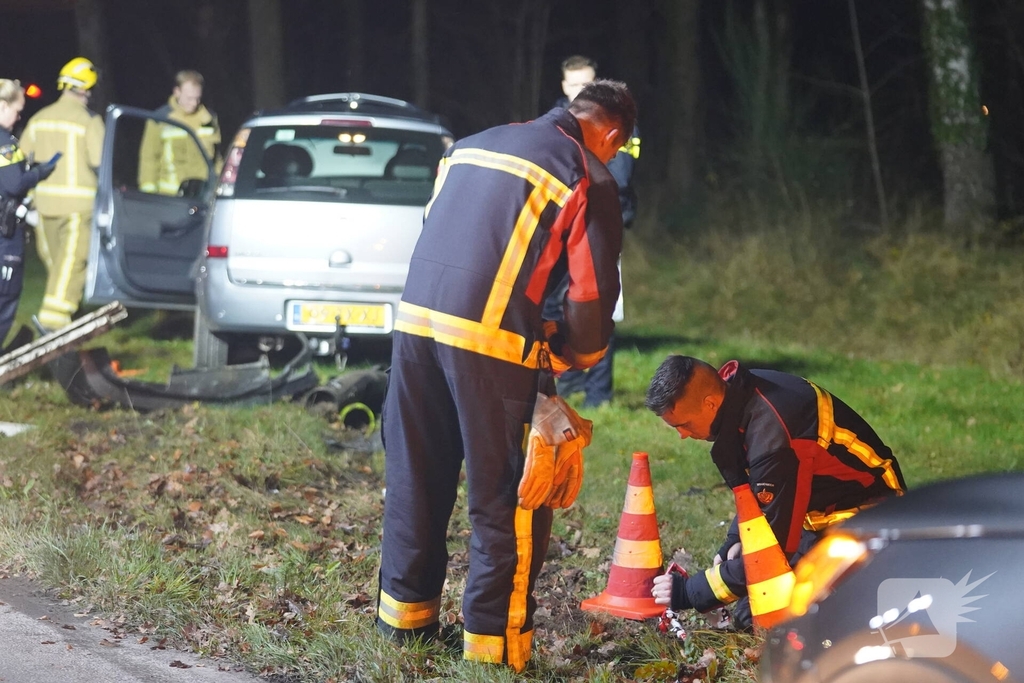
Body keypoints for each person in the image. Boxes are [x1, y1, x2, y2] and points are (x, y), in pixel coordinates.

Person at [377, 80, 637, 671]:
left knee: (416, 481)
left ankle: (404, 626)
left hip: (414, 327)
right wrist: (577, 353)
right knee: (510, 499)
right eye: (618, 149)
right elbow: (591, 291)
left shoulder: (469, 146)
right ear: (611, 134)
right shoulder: (586, 173)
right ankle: (493, 649)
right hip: (490, 344)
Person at [645, 355, 906, 629]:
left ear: (710, 403)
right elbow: (760, 491)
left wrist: (688, 592)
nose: (683, 435)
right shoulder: (744, 397)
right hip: (818, 516)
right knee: (754, 611)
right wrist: (735, 540)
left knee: (789, 621)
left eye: (683, 424)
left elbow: (771, 549)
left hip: (871, 519)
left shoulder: (773, 435)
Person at [542, 55, 641, 408]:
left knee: (598, 307)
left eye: (587, 84)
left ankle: (599, 393)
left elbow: (621, 173)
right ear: (563, 86)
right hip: (561, 227)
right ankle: (567, 383)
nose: (580, 91)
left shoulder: (617, 122)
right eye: (574, 85)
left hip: (601, 222)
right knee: (554, 307)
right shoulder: (553, 122)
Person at [20, 57, 104, 331]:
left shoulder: (38, 119)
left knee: (58, 266)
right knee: (71, 265)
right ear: (86, 89)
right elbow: (100, 161)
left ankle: (68, 318)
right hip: (78, 208)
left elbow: (21, 160)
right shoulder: (90, 121)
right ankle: (53, 324)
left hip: (43, 206)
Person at [0, 79, 59, 349]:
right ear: (3, 106)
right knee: (6, 296)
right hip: (5, 236)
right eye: (17, 110)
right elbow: (13, 184)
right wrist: (39, 173)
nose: (18, 117)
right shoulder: (5, 143)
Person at [138, 70, 221, 195]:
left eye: (197, 98)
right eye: (189, 98)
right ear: (177, 92)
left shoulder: (208, 118)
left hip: (202, 194)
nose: (194, 103)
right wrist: (148, 194)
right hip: (169, 195)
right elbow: (149, 159)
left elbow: (217, 159)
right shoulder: (160, 119)